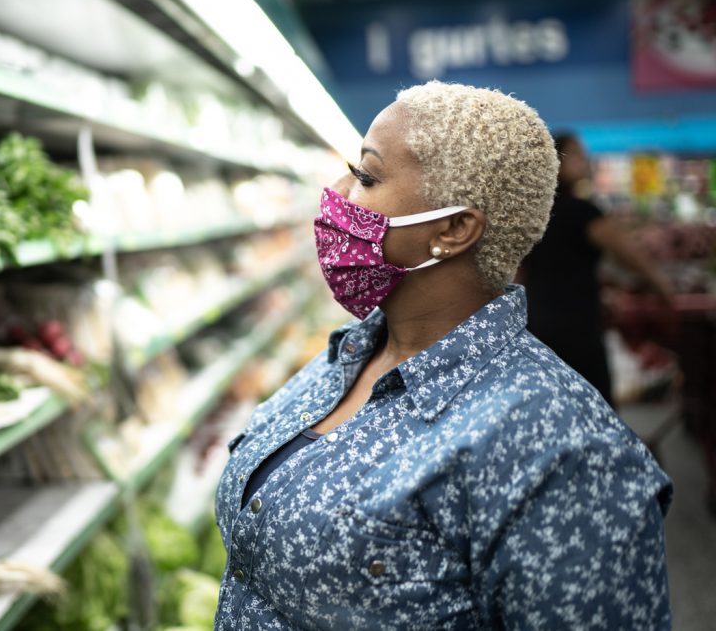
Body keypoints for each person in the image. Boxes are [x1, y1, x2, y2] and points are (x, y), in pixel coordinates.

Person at [214, 81, 672, 630]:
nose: (335, 192)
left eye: (366, 176)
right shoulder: (350, 352)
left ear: (454, 229)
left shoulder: (562, 448)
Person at [522, 132, 674, 405]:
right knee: (595, 401)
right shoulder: (582, 212)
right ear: (555, 162)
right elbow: (629, 254)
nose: (585, 160)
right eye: (576, 155)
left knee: (554, 402)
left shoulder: (530, 213)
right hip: (577, 322)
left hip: (538, 321)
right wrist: (662, 286)